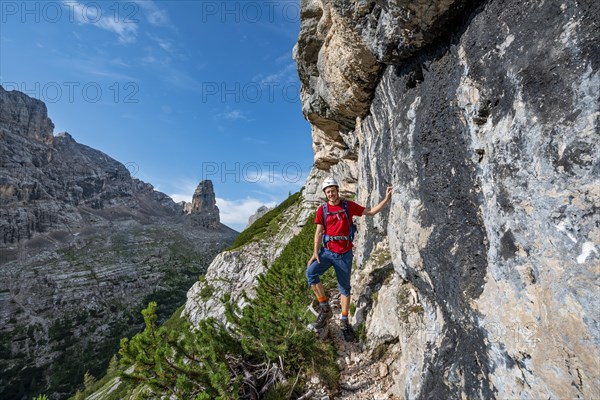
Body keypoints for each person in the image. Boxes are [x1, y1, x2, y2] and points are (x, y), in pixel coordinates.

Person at [306, 177, 393, 341]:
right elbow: (318, 232)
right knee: (310, 273)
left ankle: (344, 321)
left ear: (337, 190)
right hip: (327, 252)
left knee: (344, 288)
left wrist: (387, 199)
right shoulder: (322, 210)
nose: (331, 194)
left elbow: (371, 212)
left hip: (344, 254)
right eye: (328, 191)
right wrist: (315, 252)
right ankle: (325, 307)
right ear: (325, 194)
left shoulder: (348, 206)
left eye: (333, 190)